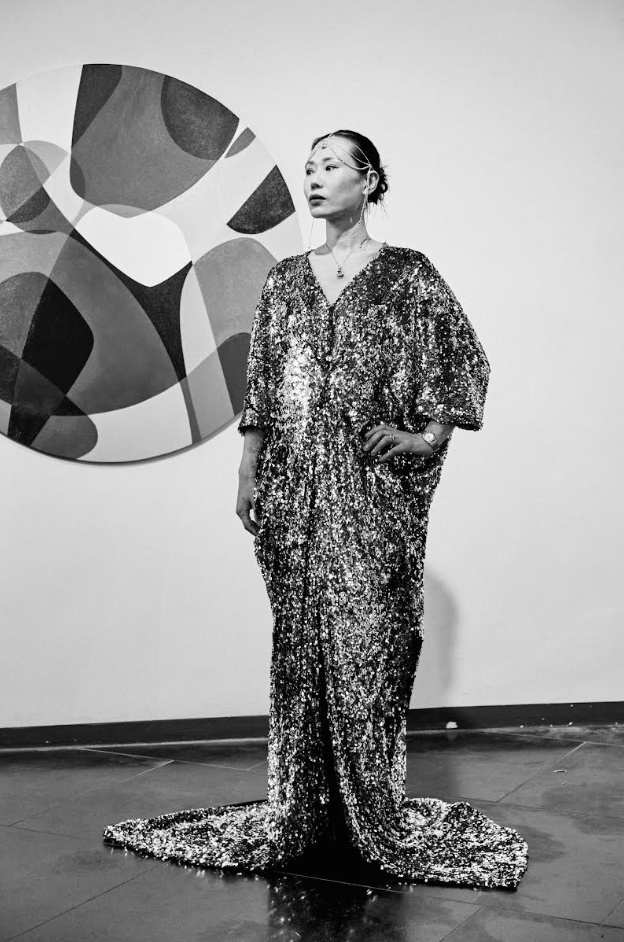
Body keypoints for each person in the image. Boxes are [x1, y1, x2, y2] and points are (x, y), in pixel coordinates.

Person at [103, 130, 528, 890]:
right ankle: (308, 806)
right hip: (294, 486)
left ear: (370, 181)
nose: (315, 177)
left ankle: (372, 806)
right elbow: (264, 382)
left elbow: (460, 356)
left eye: (331, 165)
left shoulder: (408, 274)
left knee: (370, 640)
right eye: (309, 167)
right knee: (301, 639)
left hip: (371, 489)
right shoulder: (285, 280)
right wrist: (247, 468)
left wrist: (428, 436)